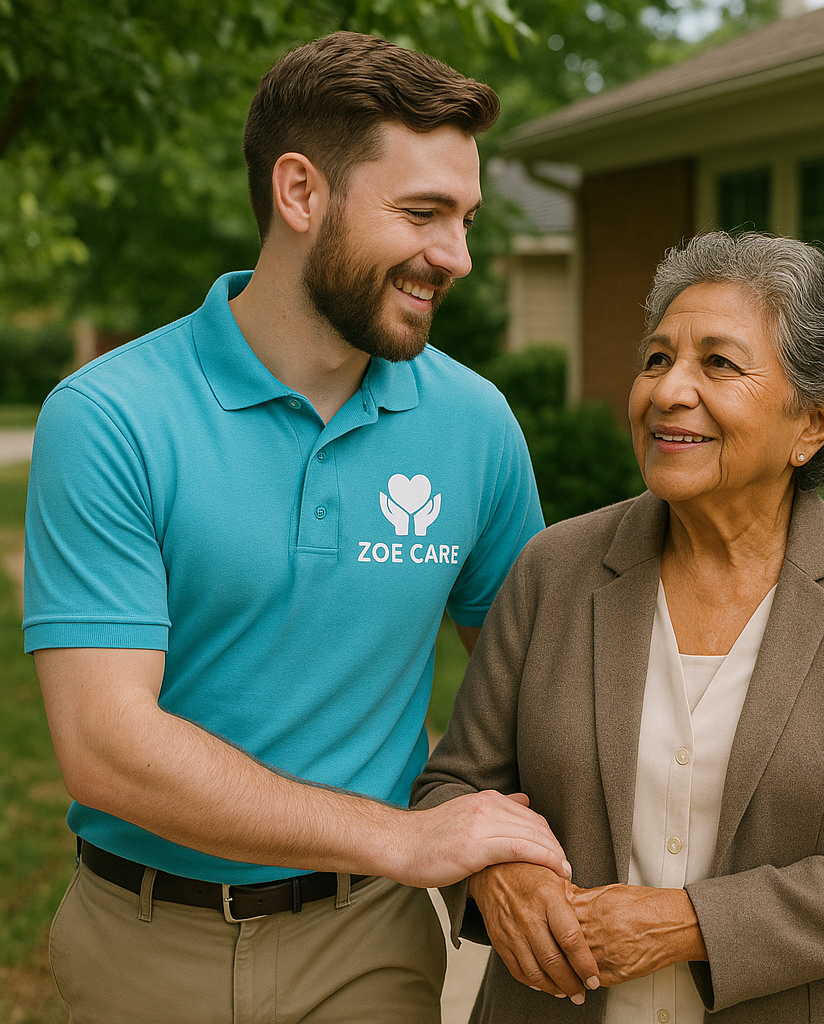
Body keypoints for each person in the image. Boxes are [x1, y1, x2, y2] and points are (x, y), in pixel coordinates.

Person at [23, 31, 572, 1024]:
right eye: (422, 213)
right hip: (142, 945)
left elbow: (540, 685)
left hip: (365, 944)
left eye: (465, 219)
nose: (455, 256)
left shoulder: (475, 424)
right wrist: (404, 838)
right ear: (299, 192)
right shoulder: (110, 416)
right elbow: (104, 743)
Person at [414, 231, 824, 1023]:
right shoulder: (554, 568)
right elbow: (454, 783)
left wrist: (686, 924)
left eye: (717, 363)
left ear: (814, 421)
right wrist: (495, 873)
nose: (669, 390)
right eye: (656, 359)